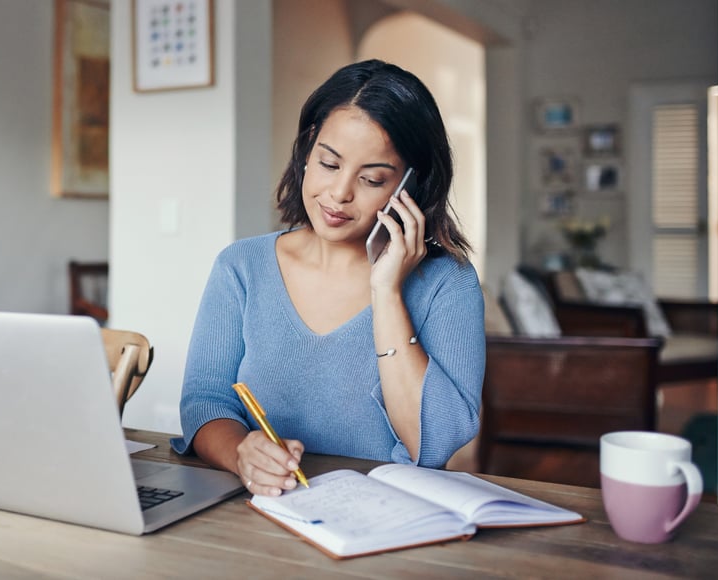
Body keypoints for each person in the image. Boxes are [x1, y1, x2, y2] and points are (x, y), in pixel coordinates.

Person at [171, 59, 485, 497]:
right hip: (260, 514)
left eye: (372, 178)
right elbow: (205, 401)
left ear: (410, 188)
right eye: (329, 163)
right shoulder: (240, 266)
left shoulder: (448, 284)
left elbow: (431, 445)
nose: (340, 194)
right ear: (306, 152)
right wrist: (243, 452)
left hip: (389, 522)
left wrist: (387, 291)